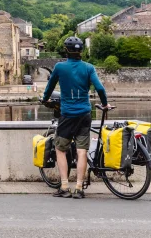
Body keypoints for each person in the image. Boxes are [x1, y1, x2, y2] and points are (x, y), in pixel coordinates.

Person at [42, 36, 109, 199]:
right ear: (81, 51)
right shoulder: (88, 68)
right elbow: (100, 88)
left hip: (67, 115)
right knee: (82, 151)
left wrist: (45, 99)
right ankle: (79, 188)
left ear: (66, 50)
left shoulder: (59, 67)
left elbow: (49, 87)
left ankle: (64, 186)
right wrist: (105, 104)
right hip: (85, 114)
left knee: (60, 149)